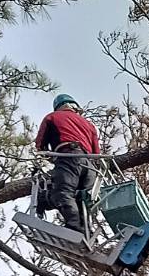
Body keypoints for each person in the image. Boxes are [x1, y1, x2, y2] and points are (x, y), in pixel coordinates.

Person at [34, 94, 101, 231]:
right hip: (90, 166)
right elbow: (97, 154)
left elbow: (40, 144)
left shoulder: (52, 117)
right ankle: (86, 230)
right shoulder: (89, 125)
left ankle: (75, 228)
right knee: (83, 200)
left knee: (63, 193)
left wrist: (51, 157)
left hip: (69, 156)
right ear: (74, 107)